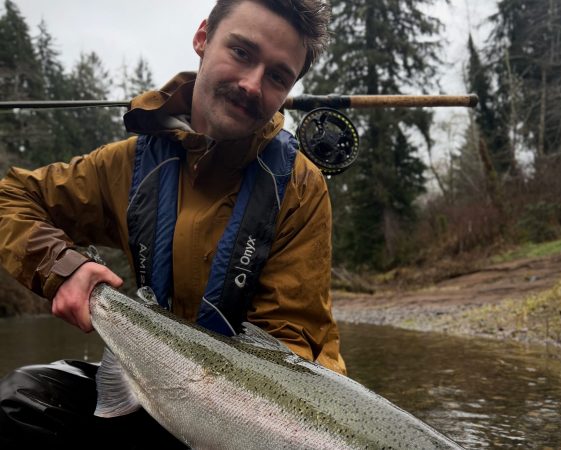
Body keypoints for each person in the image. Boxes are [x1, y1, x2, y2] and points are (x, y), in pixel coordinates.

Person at [0, 0, 346, 448]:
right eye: (241, 52)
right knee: (20, 401)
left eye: (278, 76)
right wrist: (63, 267)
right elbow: (12, 198)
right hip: (148, 383)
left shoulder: (300, 187)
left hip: (250, 414)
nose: (251, 84)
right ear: (202, 38)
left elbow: (290, 352)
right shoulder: (125, 167)